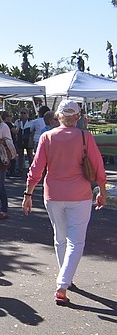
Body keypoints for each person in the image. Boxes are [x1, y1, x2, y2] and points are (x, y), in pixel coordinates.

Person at [23, 100, 108, 305]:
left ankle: (65, 278)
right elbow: (98, 167)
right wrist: (102, 191)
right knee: (76, 241)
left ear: (58, 116)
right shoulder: (85, 137)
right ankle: (63, 283)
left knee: (60, 238)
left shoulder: (47, 137)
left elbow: (36, 169)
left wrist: (28, 194)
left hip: (53, 194)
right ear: (78, 117)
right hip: (79, 195)